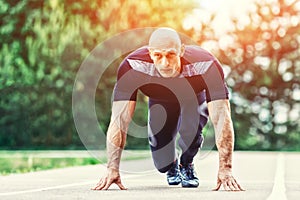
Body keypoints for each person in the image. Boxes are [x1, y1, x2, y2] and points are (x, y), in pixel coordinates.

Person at [92, 27, 244, 191]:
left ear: (181, 51)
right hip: (160, 101)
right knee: (162, 161)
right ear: (150, 53)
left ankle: (186, 164)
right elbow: (119, 120)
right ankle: (171, 164)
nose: (165, 63)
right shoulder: (132, 66)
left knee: (191, 131)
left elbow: (222, 117)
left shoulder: (206, 64)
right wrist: (112, 169)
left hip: (192, 97)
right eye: (158, 55)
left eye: (171, 54)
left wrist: (226, 169)